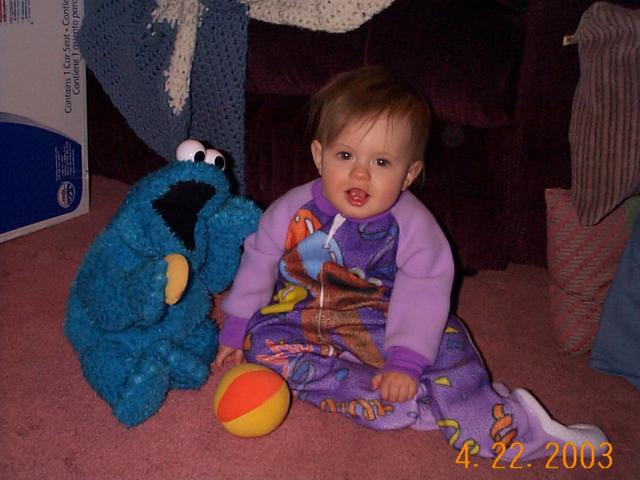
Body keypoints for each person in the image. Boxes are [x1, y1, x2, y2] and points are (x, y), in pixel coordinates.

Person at [215, 66, 608, 461]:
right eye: (345, 155)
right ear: (320, 156)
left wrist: (406, 358)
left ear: (408, 175)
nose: (360, 173)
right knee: (261, 348)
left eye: (381, 163)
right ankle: (403, 401)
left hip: (387, 319)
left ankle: (510, 425)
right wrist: (235, 329)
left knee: (446, 348)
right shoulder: (290, 209)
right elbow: (259, 263)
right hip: (304, 317)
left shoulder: (412, 224)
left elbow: (424, 290)